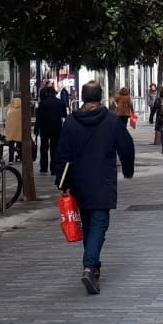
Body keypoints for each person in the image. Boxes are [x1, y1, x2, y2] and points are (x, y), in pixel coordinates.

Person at [52, 81, 135, 295]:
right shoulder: (111, 121)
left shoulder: (71, 122)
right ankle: (89, 267)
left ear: (83, 97)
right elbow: (126, 147)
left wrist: (62, 183)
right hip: (102, 180)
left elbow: (62, 154)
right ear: (100, 97)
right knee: (99, 224)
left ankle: (94, 267)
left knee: (88, 223)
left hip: (78, 181)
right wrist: (127, 170)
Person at [34, 82, 68, 175]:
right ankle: (54, 168)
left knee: (44, 148)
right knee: (55, 149)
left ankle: (44, 167)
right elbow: (64, 115)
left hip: (44, 129)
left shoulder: (42, 104)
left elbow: (38, 118)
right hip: (57, 128)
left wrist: (36, 130)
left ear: (47, 93)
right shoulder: (60, 103)